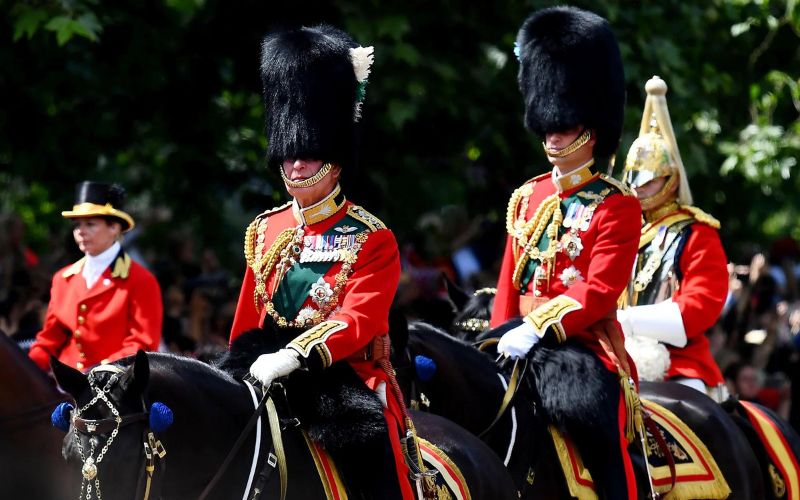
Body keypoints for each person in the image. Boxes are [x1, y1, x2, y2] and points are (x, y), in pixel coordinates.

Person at [229, 25, 413, 498]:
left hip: (338, 377)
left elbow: (358, 319)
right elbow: (249, 318)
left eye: (307, 154)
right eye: (288, 156)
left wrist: (295, 353)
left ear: (333, 157)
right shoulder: (264, 229)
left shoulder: (371, 237)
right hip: (262, 365)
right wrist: (234, 367)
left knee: (372, 461)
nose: (294, 166)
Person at [490, 7, 641, 499]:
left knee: (598, 432)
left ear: (590, 129)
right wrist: (499, 337)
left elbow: (599, 291)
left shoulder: (616, 204)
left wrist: (539, 326)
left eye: (565, 125)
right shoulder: (527, 196)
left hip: (583, 347)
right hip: (516, 342)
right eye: (548, 125)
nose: (552, 135)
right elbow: (510, 281)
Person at [617, 76, 730, 401]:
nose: (638, 188)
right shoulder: (620, 229)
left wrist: (629, 320)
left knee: (690, 414)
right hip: (614, 355)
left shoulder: (697, 232)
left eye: (649, 181)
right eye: (634, 180)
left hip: (676, 364)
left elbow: (700, 307)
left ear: (669, 179)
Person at [28, 181, 163, 372]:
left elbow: (143, 344)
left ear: (114, 228)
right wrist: (25, 367)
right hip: (65, 385)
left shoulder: (141, 280)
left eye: (90, 224)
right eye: (77, 225)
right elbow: (49, 340)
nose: (81, 231)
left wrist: (98, 371)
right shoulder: (62, 279)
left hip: (114, 389)